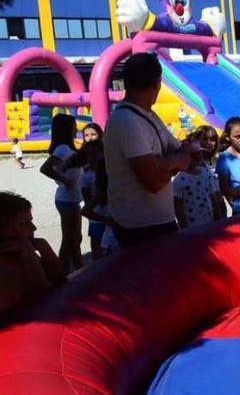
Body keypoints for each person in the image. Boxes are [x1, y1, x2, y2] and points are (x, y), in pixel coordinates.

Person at [103, 53, 200, 248]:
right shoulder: (126, 121)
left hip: (156, 221)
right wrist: (178, 160)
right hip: (140, 228)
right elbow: (153, 181)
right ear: (157, 83)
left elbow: (185, 154)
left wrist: (169, 161)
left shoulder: (148, 115)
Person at [0, 191, 65, 319]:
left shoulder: (18, 251)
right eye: (24, 223)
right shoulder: (5, 264)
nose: (33, 227)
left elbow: (60, 280)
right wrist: (29, 250)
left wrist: (43, 246)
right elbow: (43, 297)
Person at [39, 114, 83, 272]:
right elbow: (45, 168)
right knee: (70, 238)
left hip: (71, 199)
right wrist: (64, 180)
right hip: (66, 199)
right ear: (66, 129)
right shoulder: (63, 149)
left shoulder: (68, 148)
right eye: (73, 126)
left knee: (75, 237)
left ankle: (76, 268)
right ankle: (65, 270)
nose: (76, 129)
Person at [173, 131, 226, 229]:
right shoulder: (179, 180)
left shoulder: (205, 173)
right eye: (193, 154)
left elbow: (212, 196)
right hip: (192, 227)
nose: (198, 157)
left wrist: (219, 218)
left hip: (211, 222)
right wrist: (184, 228)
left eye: (199, 153)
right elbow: (178, 207)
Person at [75, 140, 106, 261]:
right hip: (97, 218)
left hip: (113, 216)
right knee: (97, 251)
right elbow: (87, 201)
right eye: (89, 155)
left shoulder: (112, 171)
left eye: (96, 153)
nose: (93, 158)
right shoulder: (86, 176)